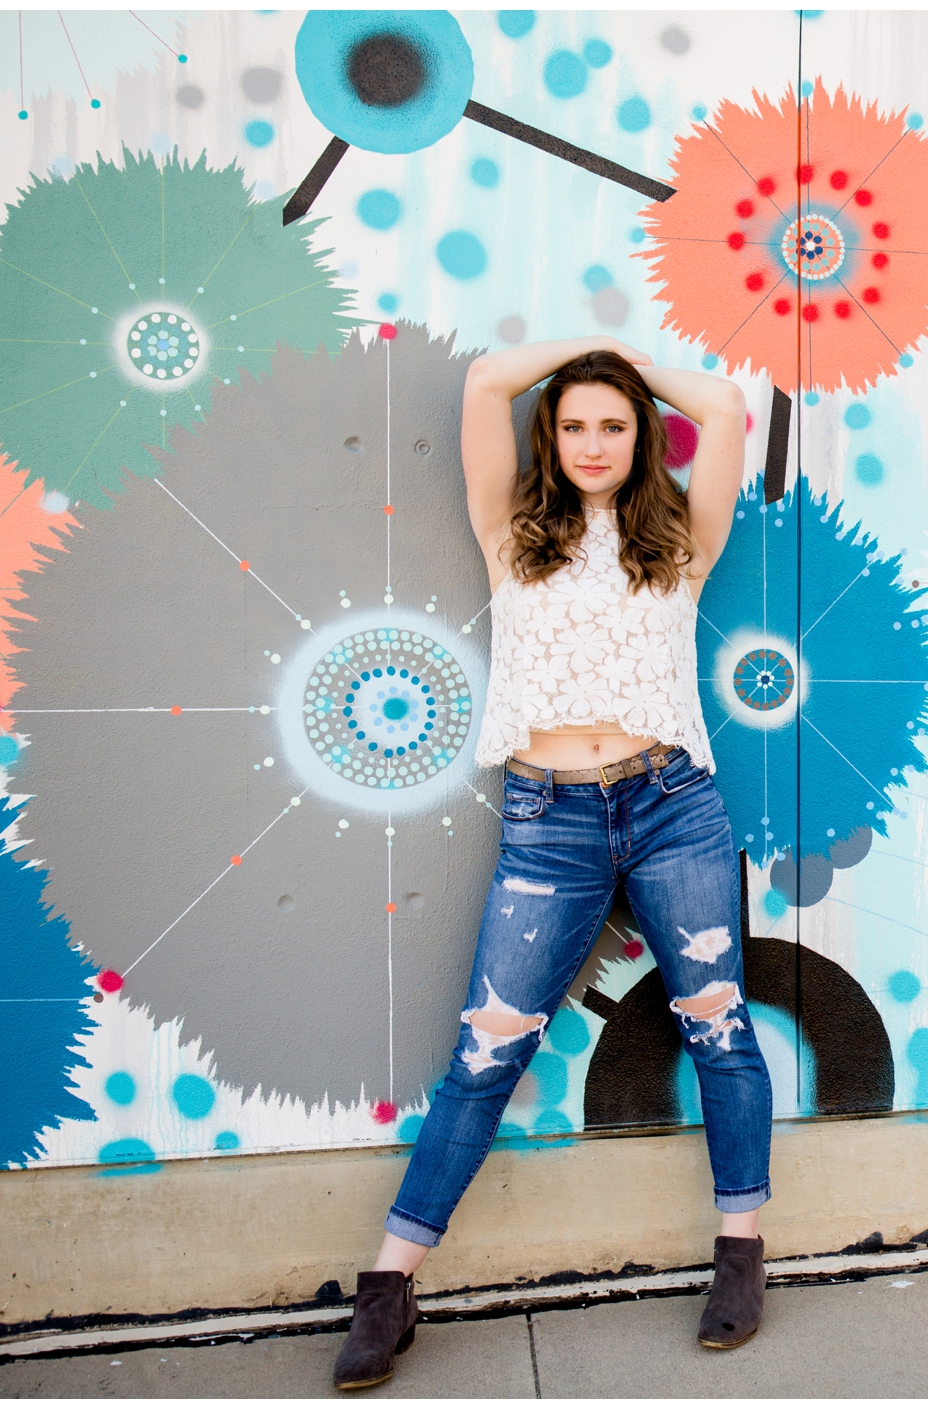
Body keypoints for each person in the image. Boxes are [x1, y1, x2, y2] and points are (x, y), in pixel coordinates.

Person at [333, 337, 769, 1390]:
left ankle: (741, 1251)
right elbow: (487, 377)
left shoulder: (682, 537)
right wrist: (583, 356)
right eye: (573, 423)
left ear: (639, 438)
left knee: (716, 1027)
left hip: (671, 805)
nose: (591, 442)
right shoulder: (510, 531)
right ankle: (388, 1285)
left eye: (612, 424)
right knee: (486, 1054)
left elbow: (720, 402)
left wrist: (622, 365)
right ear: (549, 434)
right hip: (548, 821)